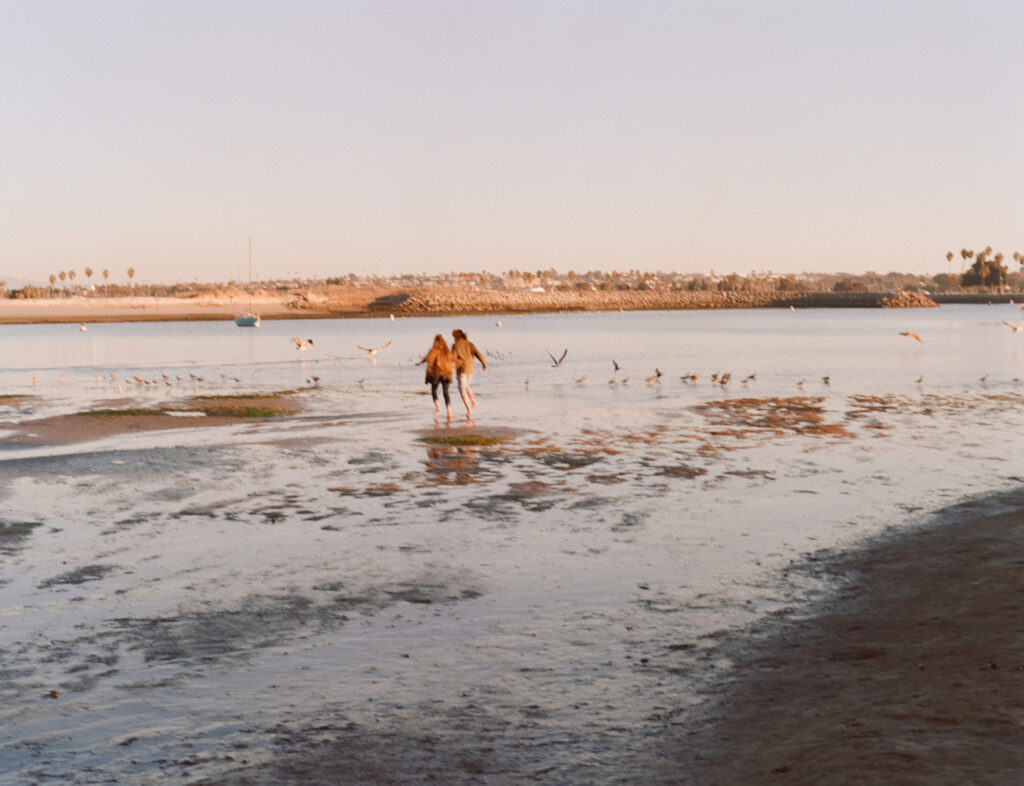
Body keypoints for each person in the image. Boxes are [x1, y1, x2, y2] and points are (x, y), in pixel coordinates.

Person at [451, 328, 487, 415]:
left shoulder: (455, 345)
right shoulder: (470, 344)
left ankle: (468, 410)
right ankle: (473, 399)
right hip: (470, 369)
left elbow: (453, 358)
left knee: (462, 390)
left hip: (461, 370)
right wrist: (484, 364)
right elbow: (478, 354)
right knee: (466, 385)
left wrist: (452, 366)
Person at [418, 334, 454, 420]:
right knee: (446, 392)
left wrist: (420, 362)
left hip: (436, 374)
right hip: (446, 373)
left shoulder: (433, 350)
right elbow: (452, 360)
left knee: (433, 390)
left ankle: (437, 407)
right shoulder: (447, 351)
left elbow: (428, 359)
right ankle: (449, 411)